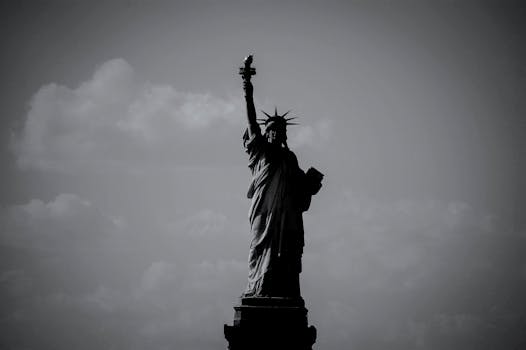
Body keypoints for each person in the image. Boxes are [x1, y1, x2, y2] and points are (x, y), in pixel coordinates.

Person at [242, 77, 323, 298]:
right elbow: (251, 122)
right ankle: (255, 289)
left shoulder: (290, 158)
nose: (276, 132)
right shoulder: (261, 152)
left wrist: (310, 185)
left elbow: (300, 191)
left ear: (284, 133)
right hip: (263, 211)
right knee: (257, 249)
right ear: (266, 133)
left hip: (286, 215)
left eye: (280, 129)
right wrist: (247, 89)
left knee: (285, 253)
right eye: (272, 129)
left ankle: (281, 290)